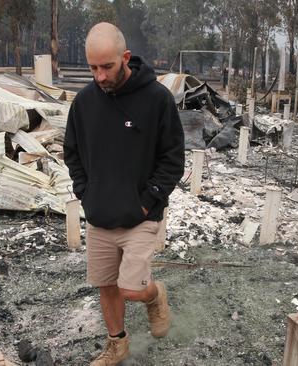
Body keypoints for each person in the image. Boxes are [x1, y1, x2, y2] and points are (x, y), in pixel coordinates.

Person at [64, 22, 185, 365]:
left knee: (130, 288)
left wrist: (148, 201)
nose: (99, 76)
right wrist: (86, 194)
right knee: (106, 284)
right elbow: (71, 152)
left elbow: (173, 158)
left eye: (107, 67)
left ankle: (154, 295)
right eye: (92, 67)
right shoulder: (84, 102)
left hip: (140, 216)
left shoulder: (157, 99)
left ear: (126, 58)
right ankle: (117, 344)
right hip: (100, 214)